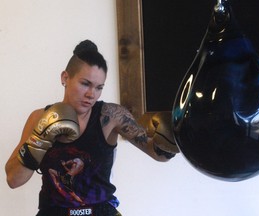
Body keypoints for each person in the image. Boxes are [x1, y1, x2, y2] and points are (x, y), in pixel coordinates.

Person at [5, 40, 179, 216]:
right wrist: (40, 138)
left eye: (99, 87)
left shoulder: (111, 116)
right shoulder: (39, 117)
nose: (91, 94)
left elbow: (157, 153)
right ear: (65, 78)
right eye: (85, 84)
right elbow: (14, 179)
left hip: (102, 211)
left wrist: (170, 137)